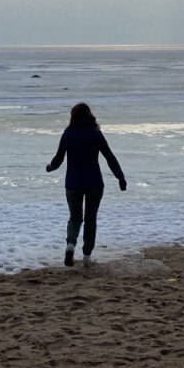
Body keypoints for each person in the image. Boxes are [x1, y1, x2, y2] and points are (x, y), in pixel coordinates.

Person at [46, 102, 126, 267]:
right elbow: (109, 157)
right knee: (90, 219)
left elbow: (59, 159)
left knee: (75, 217)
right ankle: (87, 256)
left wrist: (50, 167)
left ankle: (70, 245)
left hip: (73, 183)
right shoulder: (95, 134)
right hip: (94, 183)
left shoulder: (68, 134)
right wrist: (120, 177)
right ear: (90, 115)